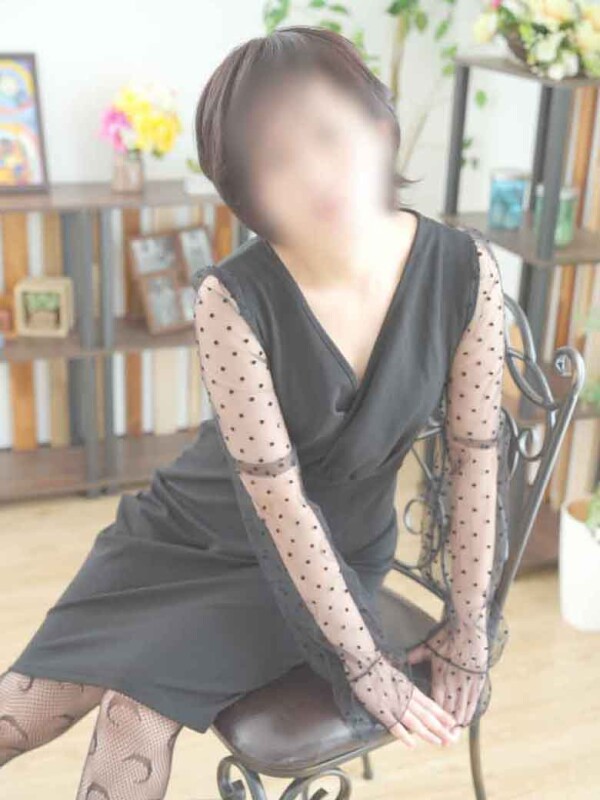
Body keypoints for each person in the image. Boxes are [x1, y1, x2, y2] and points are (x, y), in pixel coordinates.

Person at [0, 25, 511, 798]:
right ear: (246, 191)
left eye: (327, 134)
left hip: (328, 558)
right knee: (22, 706)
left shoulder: (466, 271)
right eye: (276, 160)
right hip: (190, 528)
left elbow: (474, 462)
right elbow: (276, 499)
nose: (314, 174)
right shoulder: (230, 297)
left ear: (378, 125)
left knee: (134, 713)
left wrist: (468, 627)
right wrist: (364, 665)